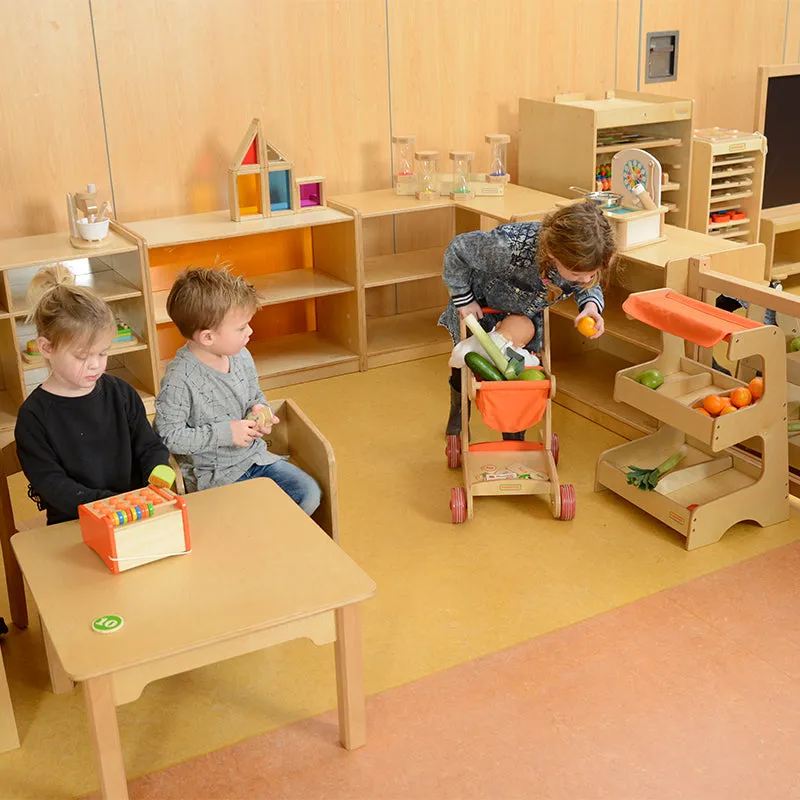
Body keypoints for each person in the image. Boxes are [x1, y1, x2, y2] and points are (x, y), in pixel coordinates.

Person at [440, 201, 617, 438]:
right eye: (577, 274)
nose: (585, 279)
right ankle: (459, 412)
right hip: (481, 306)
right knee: (466, 365)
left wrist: (591, 306)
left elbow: (587, 284)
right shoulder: (506, 246)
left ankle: (513, 429)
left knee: (519, 372)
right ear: (553, 255)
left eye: (593, 273)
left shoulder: (584, 263)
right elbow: (458, 249)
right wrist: (464, 298)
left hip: (523, 317)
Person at [154, 266, 321, 515]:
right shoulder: (179, 379)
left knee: (308, 493)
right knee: (252, 516)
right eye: (241, 328)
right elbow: (169, 437)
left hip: (255, 458)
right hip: (213, 476)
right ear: (208, 338)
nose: (250, 331)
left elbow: (254, 393)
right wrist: (225, 433)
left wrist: (260, 408)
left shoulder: (240, 355)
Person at [15, 264, 171, 524]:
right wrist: (111, 504)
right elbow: (54, 486)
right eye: (82, 356)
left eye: (103, 353)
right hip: (75, 523)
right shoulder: (34, 417)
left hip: (133, 515)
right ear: (46, 348)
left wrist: (158, 470)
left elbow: (150, 446)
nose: (96, 364)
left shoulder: (121, 393)